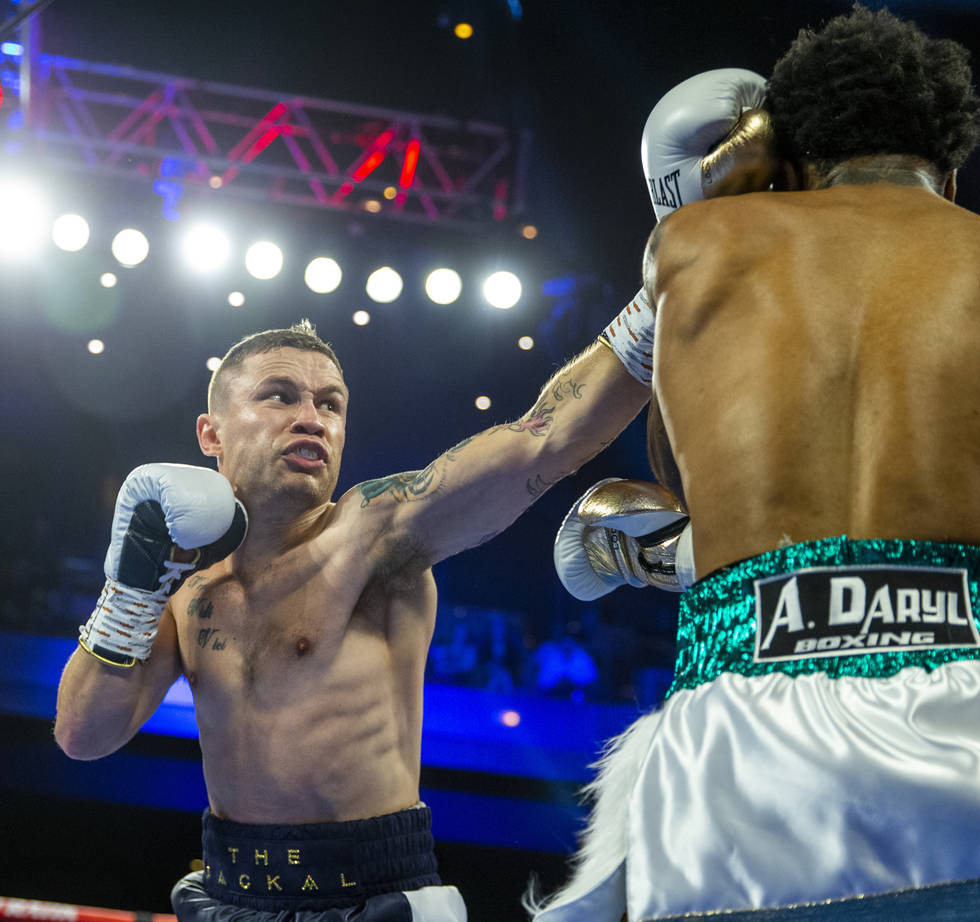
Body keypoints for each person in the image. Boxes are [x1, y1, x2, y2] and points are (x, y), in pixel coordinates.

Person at [532, 5, 980, 921]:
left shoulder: (695, 247)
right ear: (954, 168)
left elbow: (573, 433)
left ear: (793, 162)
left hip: (747, 766)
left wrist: (705, 207)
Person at [53, 309, 651, 921]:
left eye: (330, 405)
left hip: (373, 897)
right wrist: (128, 590)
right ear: (212, 434)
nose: (311, 418)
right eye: (279, 397)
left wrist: (661, 301)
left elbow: (544, 439)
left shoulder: (376, 535)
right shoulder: (181, 582)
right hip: (227, 894)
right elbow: (83, 736)